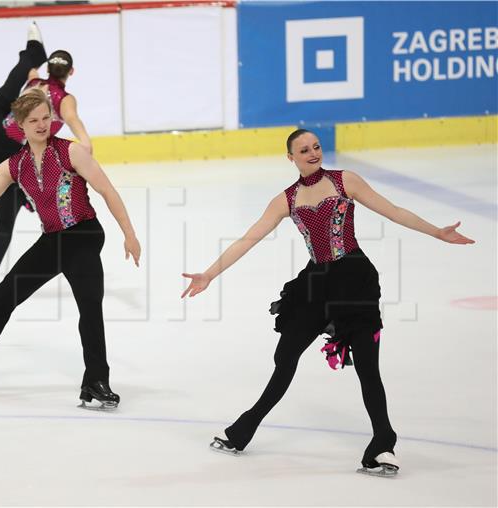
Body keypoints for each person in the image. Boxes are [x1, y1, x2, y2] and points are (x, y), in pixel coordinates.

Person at [181, 129, 474, 476]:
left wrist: (437, 232)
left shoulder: (344, 181)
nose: (313, 153)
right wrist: (210, 274)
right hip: (316, 285)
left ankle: (383, 444)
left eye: (316, 147)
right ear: (290, 158)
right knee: (285, 357)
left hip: (355, 281)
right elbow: (248, 239)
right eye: (303, 150)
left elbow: (393, 211)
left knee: (367, 365)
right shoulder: (286, 200)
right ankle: (243, 429)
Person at [0, 89, 140, 410]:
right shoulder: (14, 165)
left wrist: (129, 235)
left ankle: (96, 381)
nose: (41, 124)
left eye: (46, 118)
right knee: (2, 301)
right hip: (52, 241)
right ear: (20, 124)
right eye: (33, 120)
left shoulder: (71, 153)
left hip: (83, 235)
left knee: (89, 309)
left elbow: (107, 190)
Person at [0, 23, 92, 299]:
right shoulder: (65, 99)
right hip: (17, 157)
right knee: (61, 216)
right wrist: (85, 147)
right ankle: (76, 266)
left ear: (48, 69)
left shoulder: (34, 81)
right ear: (71, 72)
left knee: (7, 220)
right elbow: (75, 123)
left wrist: (34, 57)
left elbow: (32, 74)